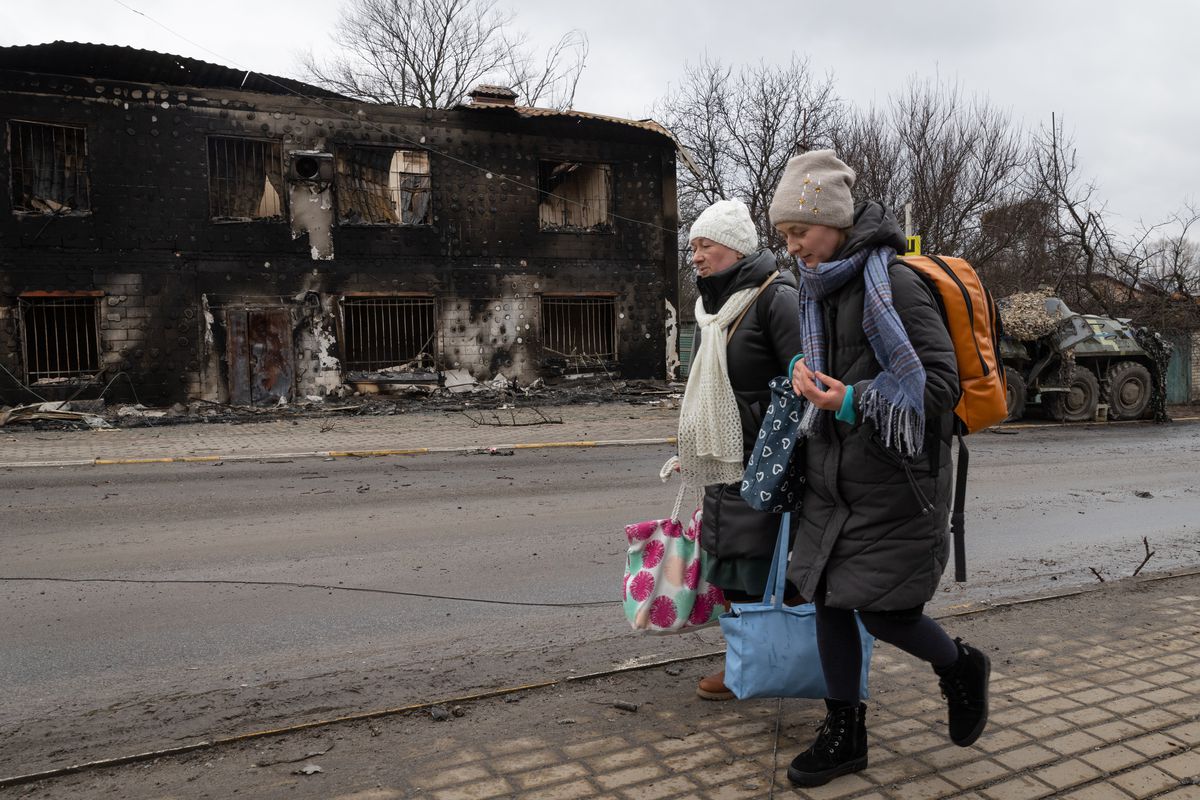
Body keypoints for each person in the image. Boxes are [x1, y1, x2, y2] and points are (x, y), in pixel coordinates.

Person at [767, 150, 992, 787]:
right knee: (829, 603)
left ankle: (959, 665)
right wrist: (801, 372)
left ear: (834, 221)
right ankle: (845, 734)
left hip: (897, 482)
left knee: (885, 612)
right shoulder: (814, 289)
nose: (792, 247)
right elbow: (825, 364)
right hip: (831, 477)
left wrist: (853, 400)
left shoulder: (895, 283)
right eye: (785, 236)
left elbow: (939, 387)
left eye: (799, 232)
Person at [675, 198, 804, 701]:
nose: (696, 256)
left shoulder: (776, 298)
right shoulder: (711, 310)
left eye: (705, 245)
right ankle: (753, 661)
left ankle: (767, 663)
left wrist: (762, 427)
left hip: (766, 462)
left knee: (761, 568)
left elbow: (804, 379)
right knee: (732, 567)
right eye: (693, 247)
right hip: (723, 458)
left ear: (735, 248)